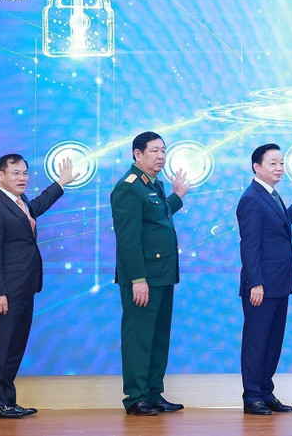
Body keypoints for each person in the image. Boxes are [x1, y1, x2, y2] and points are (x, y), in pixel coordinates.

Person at [0, 154, 77, 418]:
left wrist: (61, 182)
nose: (22, 178)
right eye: (15, 173)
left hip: (25, 288)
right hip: (5, 293)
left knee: (14, 348)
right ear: (0, 175)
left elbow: (39, 205)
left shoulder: (18, 203)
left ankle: (8, 401)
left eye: (25, 173)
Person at [237, 143, 292, 415]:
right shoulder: (251, 198)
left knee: (272, 342)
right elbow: (249, 245)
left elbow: (278, 224)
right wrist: (256, 282)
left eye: (281, 163)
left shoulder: (271, 195)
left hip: (279, 283)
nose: (279, 168)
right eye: (273, 163)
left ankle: (265, 391)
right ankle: (252, 397)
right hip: (261, 286)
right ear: (256, 167)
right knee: (256, 341)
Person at [111, 131, 190, 416]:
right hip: (143, 278)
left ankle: (154, 393)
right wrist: (138, 279)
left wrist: (178, 195)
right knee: (139, 337)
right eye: (154, 151)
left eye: (163, 151)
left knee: (158, 336)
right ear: (137, 154)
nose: (161, 156)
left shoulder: (151, 185)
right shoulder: (128, 187)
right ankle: (136, 397)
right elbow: (128, 239)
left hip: (163, 275)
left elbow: (159, 214)